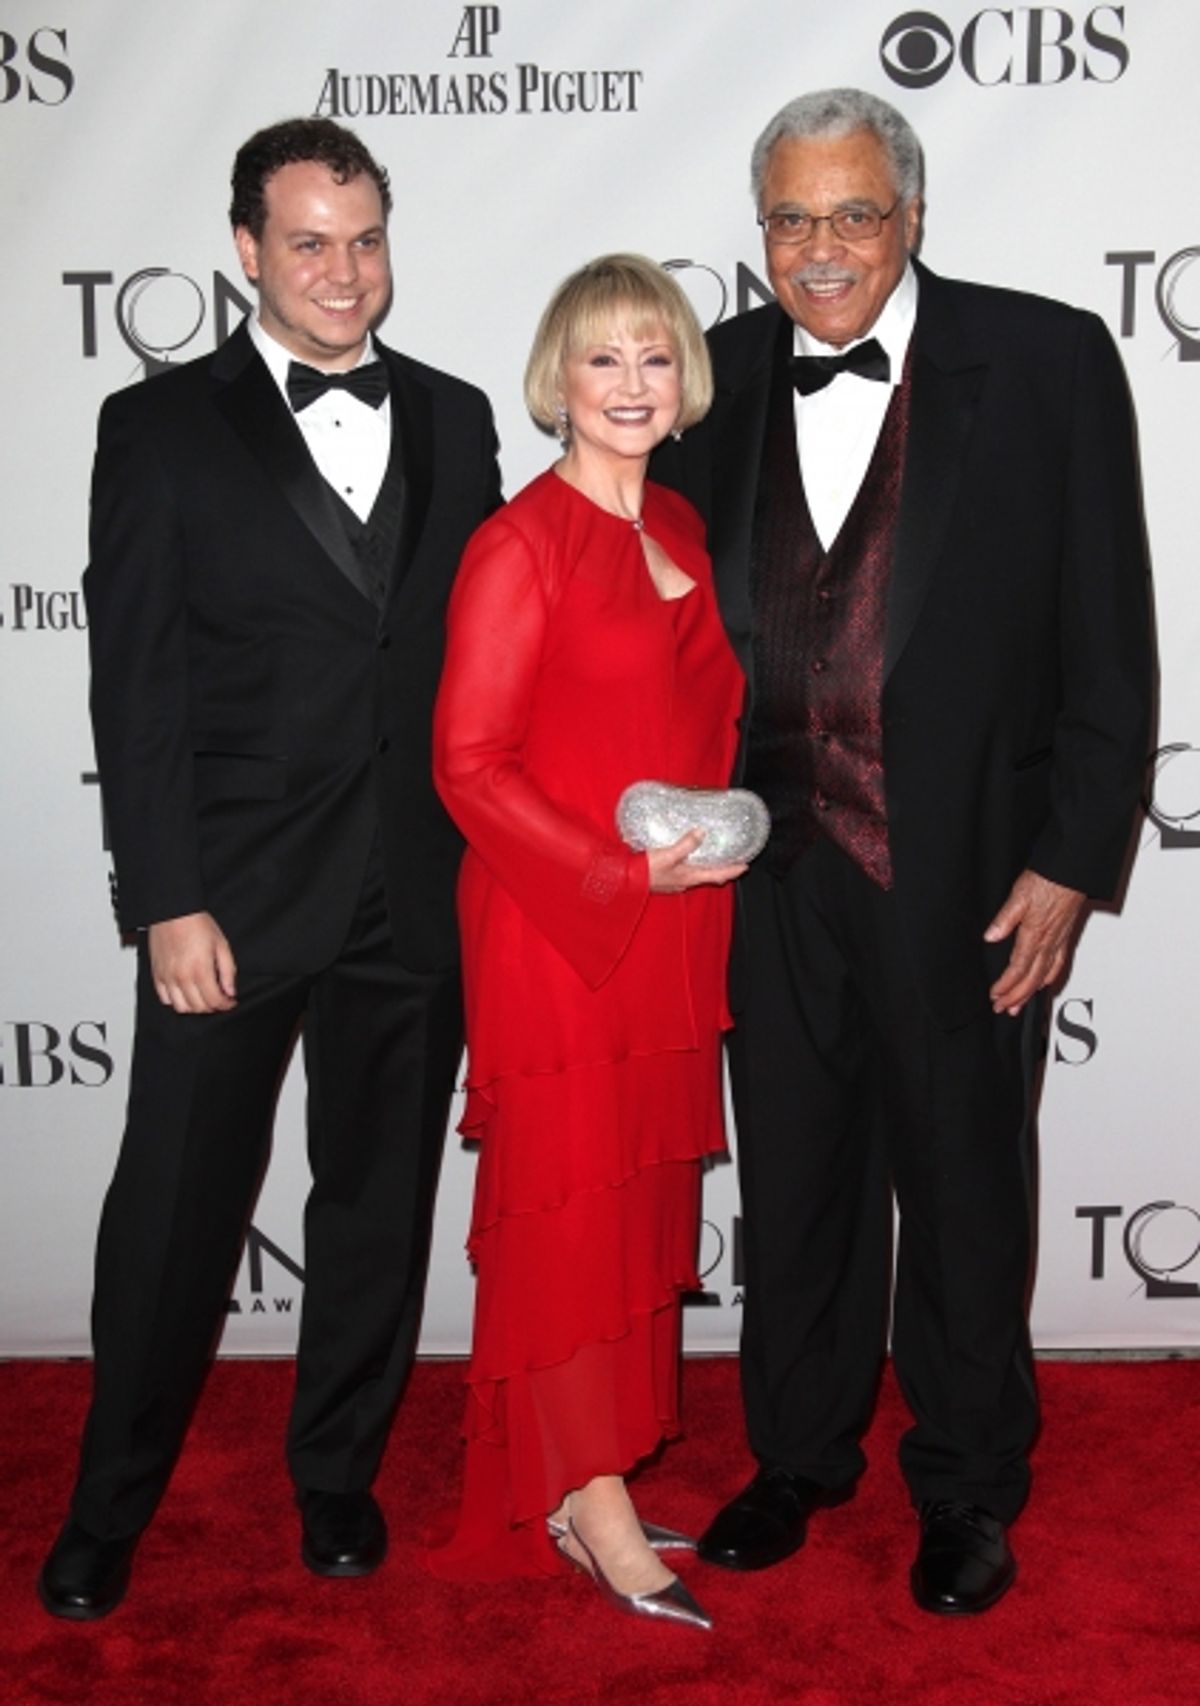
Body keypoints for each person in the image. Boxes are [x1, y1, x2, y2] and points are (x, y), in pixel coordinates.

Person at [651, 88, 1152, 1614]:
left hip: (972, 875)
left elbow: (1112, 638)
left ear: (913, 214)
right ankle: (798, 1453)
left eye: (855, 214)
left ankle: (969, 1481)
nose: (821, 250)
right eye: (791, 218)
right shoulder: (708, 375)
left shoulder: (1050, 356)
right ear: (761, 231)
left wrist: (1073, 858)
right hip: (765, 871)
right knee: (795, 1180)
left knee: (962, 1185)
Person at [37, 116, 501, 1620]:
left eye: (364, 240)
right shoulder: (157, 427)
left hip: (416, 895)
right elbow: (137, 686)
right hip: (225, 901)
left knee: (377, 1201)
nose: (343, 273)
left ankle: (338, 1476)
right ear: (246, 248)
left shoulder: (458, 414)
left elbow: (486, 658)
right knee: (173, 1209)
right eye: (309, 242)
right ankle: (110, 1500)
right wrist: (163, 895)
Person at [424, 255, 745, 1629]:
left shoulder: (678, 513)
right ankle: (591, 1503)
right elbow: (469, 764)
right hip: (560, 929)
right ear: (559, 377)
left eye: (656, 358)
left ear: (685, 381)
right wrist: (615, 872)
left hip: (675, 928)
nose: (631, 384)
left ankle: (585, 1465)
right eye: (604, 359)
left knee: (634, 1209)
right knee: (567, 1208)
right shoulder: (517, 544)